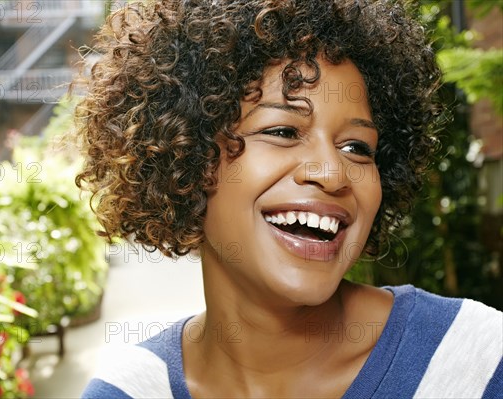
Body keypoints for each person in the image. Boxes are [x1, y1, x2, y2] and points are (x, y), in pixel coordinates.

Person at [75, 0, 503, 397]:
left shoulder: (477, 363)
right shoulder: (131, 391)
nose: (332, 173)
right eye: (282, 132)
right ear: (185, 154)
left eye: (357, 147)